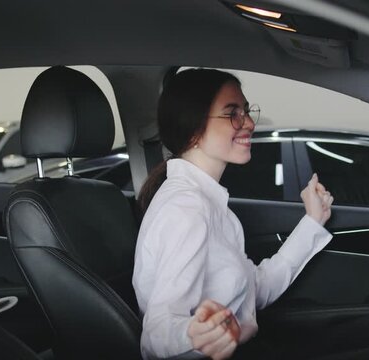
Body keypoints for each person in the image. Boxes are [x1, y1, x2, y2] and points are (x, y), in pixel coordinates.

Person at [132, 68, 334, 360]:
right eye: (233, 113)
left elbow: (256, 289)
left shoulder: (208, 202)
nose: (250, 123)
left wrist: (312, 221)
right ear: (193, 128)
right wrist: (194, 334)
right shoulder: (186, 209)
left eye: (247, 111)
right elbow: (156, 333)